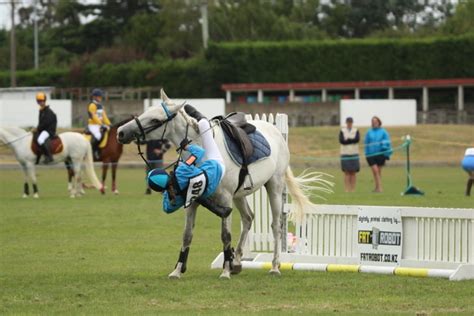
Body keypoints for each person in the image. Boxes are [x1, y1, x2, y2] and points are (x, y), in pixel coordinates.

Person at [147, 105, 232, 218]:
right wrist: (187, 147)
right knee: (203, 125)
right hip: (217, 166)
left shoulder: (174, 201)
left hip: (210, 189)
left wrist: (166, 191)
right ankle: (198, 116)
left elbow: (166, 208)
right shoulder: (182, 170)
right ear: (165, 173)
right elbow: (199, 152)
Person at [364, 116, 392, 193]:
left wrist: (386, 151)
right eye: (373, 121)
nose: (374, 123)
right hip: (370, 155)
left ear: (379, 122)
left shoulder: (384, 132)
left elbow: (387, 142)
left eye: (375, 121)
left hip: (380, 154)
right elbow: (366, 143)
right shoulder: (369, 132)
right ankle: (380, 188)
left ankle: (376, 188)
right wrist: (366, 153)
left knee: (378, 172)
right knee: (375, 171)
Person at [87, 88, 111, 160]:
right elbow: (94, 117)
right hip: (93, 125)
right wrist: (102, 124)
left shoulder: (101, 106)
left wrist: (109, 124)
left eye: (101, 96)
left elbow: (104, 116)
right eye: (99, 96)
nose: (100, 98)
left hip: (99, 124)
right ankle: (94, 151)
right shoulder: (92, 105)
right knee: (98, 135)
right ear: (94, 97)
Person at [35, 92, 57, 164]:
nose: (41, 102)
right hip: (44, 129)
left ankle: (49, 156)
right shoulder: (41, 110)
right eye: (39, 101)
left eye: (42, 101)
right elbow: (41, 123)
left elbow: (45, 123)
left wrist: (37, 128)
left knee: (40, 139)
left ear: (45, 101)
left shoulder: (48, 111)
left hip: (49, 130)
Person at [339, 117, 360, 192]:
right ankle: (347, 189)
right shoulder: (342, 131)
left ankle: (353, 189)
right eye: (348, 122)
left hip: (354, 153)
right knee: (346, 172)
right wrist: (351, 140)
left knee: (353, 172)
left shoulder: (356, 130)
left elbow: (357, 139)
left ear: (352, 123)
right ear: (346, 123)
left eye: (350, 122)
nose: (349, 123)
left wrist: (348, 140)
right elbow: (341, 141)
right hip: (345, 153)